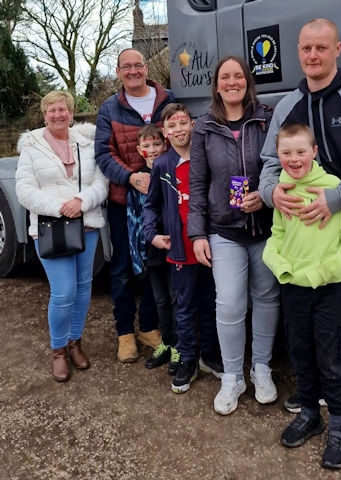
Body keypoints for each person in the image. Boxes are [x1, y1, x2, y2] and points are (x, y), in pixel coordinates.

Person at [259, 18, 341, 412]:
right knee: (312, 329)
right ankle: (314, 400)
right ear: (298, 52)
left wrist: (336, 199)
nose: (313, 55)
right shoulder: (288, 105)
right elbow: (269, 166)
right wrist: (271, 193)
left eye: (321, 48)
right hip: (306, 240)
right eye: (306, 48)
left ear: (337, 50)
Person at [263, 123, 341, 470]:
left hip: (330, 289)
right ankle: (309, 413)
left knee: (332, 355)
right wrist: (280, 267)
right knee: (300, 351)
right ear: (278, 155)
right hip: (294, 288)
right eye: (286, 152)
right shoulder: (282, 191)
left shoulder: (335, 189)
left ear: (314, 152)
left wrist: (326, 271)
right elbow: (276, 235)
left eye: (300, 151)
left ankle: (338, 423)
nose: (294, 159)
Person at [188, 56, 280, 415]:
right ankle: (231, 376)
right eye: (225, 77)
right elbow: (197, 184)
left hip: (265, 229)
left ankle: (261, 368)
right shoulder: (204, 127)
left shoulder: (267, 118)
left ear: (247, 81)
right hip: (223, 231)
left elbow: (281, 166)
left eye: (238, 76)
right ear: (216, 84)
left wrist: (265, 195)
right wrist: (197, 234)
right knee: (228, 304)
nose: (231, 82)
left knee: (267, 298)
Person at [15, 91, 109, 382]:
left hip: (87, 225)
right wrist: (63, 208)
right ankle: (58, 351)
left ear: (71, 113)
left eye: (63, 109)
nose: (58, 115)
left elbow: (101, 181)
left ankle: (74, 343)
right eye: (52, 110)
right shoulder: (32, 148)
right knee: (64, 290)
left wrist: (81, 201)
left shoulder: (87, 144)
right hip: (50, 228)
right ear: (44, 115)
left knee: (83, 288)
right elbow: (25, 191)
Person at [94, 48, 176, 363]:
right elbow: (103, 153)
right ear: (118, 72)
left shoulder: (167, 100)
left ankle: (149, 327)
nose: (133, 71)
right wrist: (131, 177)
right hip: (124, 202)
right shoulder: (110, 108)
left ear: (146, 68)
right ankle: (125, 333)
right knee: (123, 268)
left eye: (138, 65)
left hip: (163, 199)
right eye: (126, 67)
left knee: (158, 263)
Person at [143, 103, 223, 394]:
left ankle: (210, 356)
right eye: (172, 126)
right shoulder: (163, 165)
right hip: (179, 250)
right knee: (185, 307)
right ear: (164, 132)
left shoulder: (207, 157)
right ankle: (187, 359)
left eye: (183, 123)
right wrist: (152, 233)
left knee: (211, 302)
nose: (179, 130)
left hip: (210, 247)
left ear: (193, 124)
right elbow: (151, 204)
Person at [127, 124, 178, 373]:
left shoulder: (172, 171)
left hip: (176, 248)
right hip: (152, 253)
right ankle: (166, 344)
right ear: (139, 150)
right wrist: (138, 259)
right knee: (161, 301)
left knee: (178, 299)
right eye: (146, 146)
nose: (153, 150)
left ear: (165, 144)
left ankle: (180, 347)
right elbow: (133, 222)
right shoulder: (137, 183)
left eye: (156, 144)